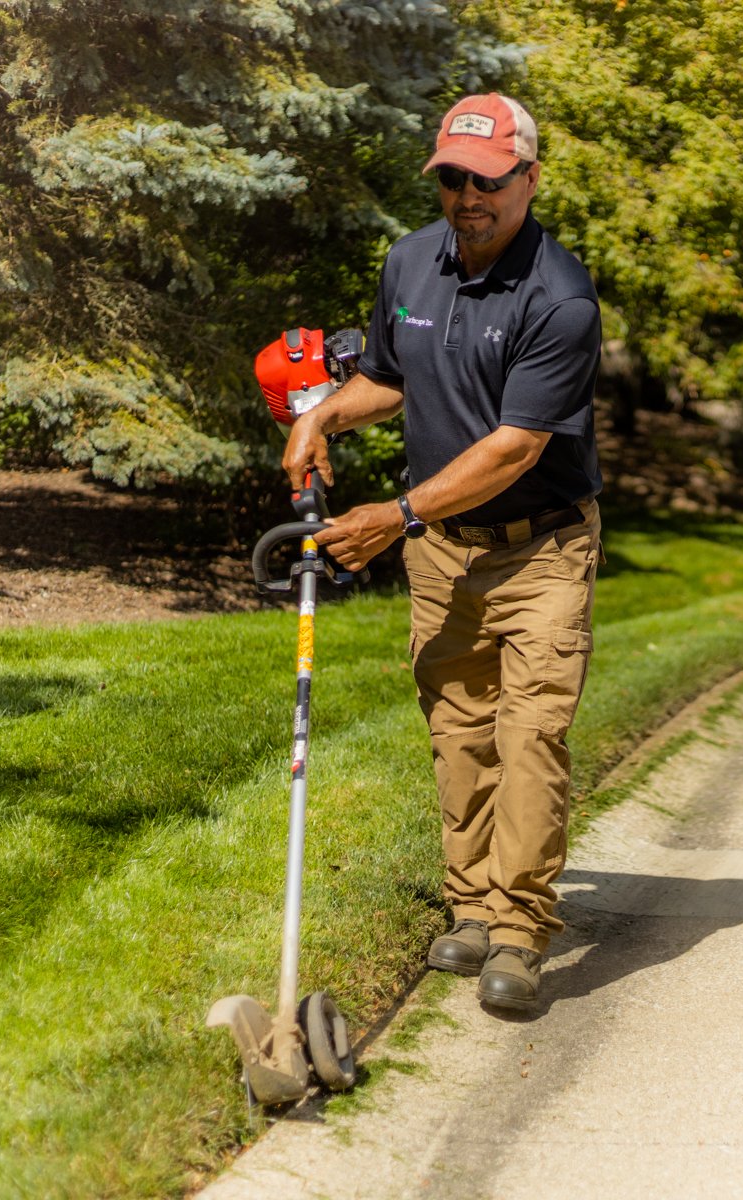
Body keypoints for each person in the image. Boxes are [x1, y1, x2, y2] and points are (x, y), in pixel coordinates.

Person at [281, 93, 602, 1014]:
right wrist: (323, 414)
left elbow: (516, 447)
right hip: (443, 553)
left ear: (529, 180)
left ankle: (518, 928)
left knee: (529, 735)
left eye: (489, 180)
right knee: (460, 730)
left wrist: (398, 514)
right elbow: (387, 376)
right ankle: (469, 906)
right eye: (454, 177)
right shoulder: (411, 263)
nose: (469, 197)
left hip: (539, 549)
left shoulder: (560, 298)